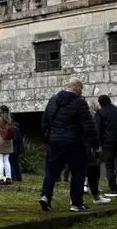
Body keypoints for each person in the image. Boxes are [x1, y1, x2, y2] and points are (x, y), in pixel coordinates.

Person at [39, 77, 100, 213]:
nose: (81, 91)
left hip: (55, 142)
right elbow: (88, 125)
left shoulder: (53, 100)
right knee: (78, 172)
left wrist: (48, 137)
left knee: (51, 171)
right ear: (76, 87)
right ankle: (76, 203)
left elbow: (45, 120)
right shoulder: (80, 103)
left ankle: (45, 196)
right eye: (81, 88)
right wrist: (95, 144)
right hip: (74, 143)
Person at [96, 94, 117, 197]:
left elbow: (98, 129)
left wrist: (98, 143)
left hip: (108, 142)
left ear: (100, 103)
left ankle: (113, 189)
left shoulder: (100, 113)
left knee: (110, 165)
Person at [85, 98, 110, 205]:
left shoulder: (85, 116)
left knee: (86, 170)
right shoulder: (94, 117)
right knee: (93, 170)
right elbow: (95, 132)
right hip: (91, 147)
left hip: (85, 147)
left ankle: (87, 190)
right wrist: (97, 146)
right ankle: (95, 195)